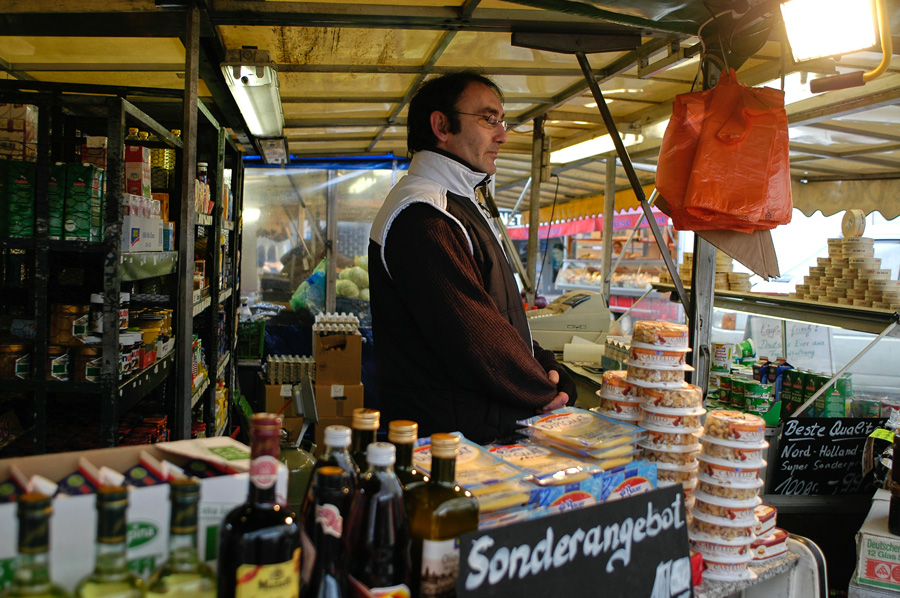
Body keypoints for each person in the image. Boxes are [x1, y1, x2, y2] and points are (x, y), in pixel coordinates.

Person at [367, 71, 576, 444]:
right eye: (489, 119)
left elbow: (493, 313)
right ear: (441, 125)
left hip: (473, 436)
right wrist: (548, 394)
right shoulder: (424, 215)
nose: (502, 135)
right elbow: (474, 336)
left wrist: (543, 362)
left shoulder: (457, 203)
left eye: (502, 121)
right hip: (452, 448)